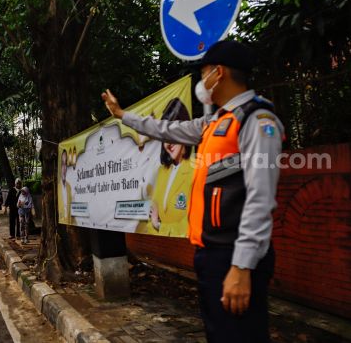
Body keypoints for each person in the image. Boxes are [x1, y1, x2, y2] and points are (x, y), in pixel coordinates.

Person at [102, 40, 284, 343]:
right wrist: (122, 114)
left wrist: (241, 267)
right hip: (211, 254)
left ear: (219, 73)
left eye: (204, 73)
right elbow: (163, 129)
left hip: (233, 256)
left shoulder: (257, 120)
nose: (202, 80)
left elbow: (260, 200)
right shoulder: (214, 122)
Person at [146, 98, 193, 237]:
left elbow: (191, 225)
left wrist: (159, 226)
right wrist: (155, 225)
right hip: (162, 249)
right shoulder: (162, 171)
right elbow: (151, 217)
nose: (169, 143)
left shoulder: (196, 168)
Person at [58, 149, 72, 223]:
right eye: (62, 164)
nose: (64, 168)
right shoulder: (57, 188)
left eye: (66, 164)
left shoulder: (69, 187)